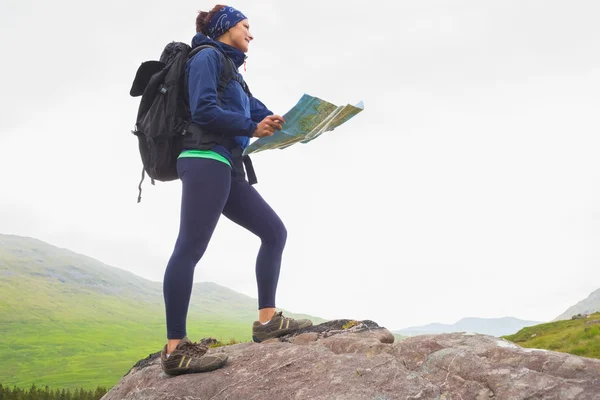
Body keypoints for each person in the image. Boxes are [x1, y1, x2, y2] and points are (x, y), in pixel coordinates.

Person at [159, 5, 312, 376]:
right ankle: (176, 348)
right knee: (190, 247)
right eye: (247, 26)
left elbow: (263, 115)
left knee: (274, 232)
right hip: (204, 157)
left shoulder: (236, 74)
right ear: (227, 27)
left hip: (227, 164)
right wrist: (250, 125)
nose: (252, 34)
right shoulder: (207, 57)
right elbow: (204, 110)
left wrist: (300, 125)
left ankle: (267, 321)